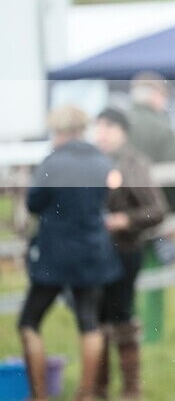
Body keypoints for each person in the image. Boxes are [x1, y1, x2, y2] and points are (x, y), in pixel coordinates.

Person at [19, 105, 122, 401]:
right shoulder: (101, 161)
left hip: (54, 254)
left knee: (29, 322)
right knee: (88, 321)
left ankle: (39, 394)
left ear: (59, 131)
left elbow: (33, 203)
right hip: (92, 250)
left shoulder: (52, 161)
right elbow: (109, 197)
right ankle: (85, 394)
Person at [93, 107, 168, 400]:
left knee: (121, 314)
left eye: (109, 127)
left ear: (123, 131)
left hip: (123, 249)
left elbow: (156, 209)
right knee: (95, 318)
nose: (102, 132)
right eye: (99, 126)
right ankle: (97, 388)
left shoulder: (133, 163)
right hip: (92, 252)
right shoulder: (92, 161)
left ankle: (130, 389)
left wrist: (125, 220)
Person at [126, 71, 175, 212]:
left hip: (125, 203)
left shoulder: (119, 123)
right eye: (164, 96)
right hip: (155, 204)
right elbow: (172, 167)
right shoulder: (162, 127)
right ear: (155, 95)